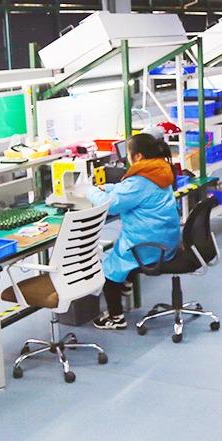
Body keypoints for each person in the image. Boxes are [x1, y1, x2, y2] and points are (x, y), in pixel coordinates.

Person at [82, 133, 181, 330]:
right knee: (121, 249)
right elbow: (126, 189)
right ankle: (127, 282)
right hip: (168, 241)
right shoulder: (159, 170)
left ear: (138, 156)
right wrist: (107, 187)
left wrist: (89, 190)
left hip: (149, 246)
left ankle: (116, 318)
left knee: (109, 269)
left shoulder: (140, 181)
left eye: (128, 153)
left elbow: (110, 206)